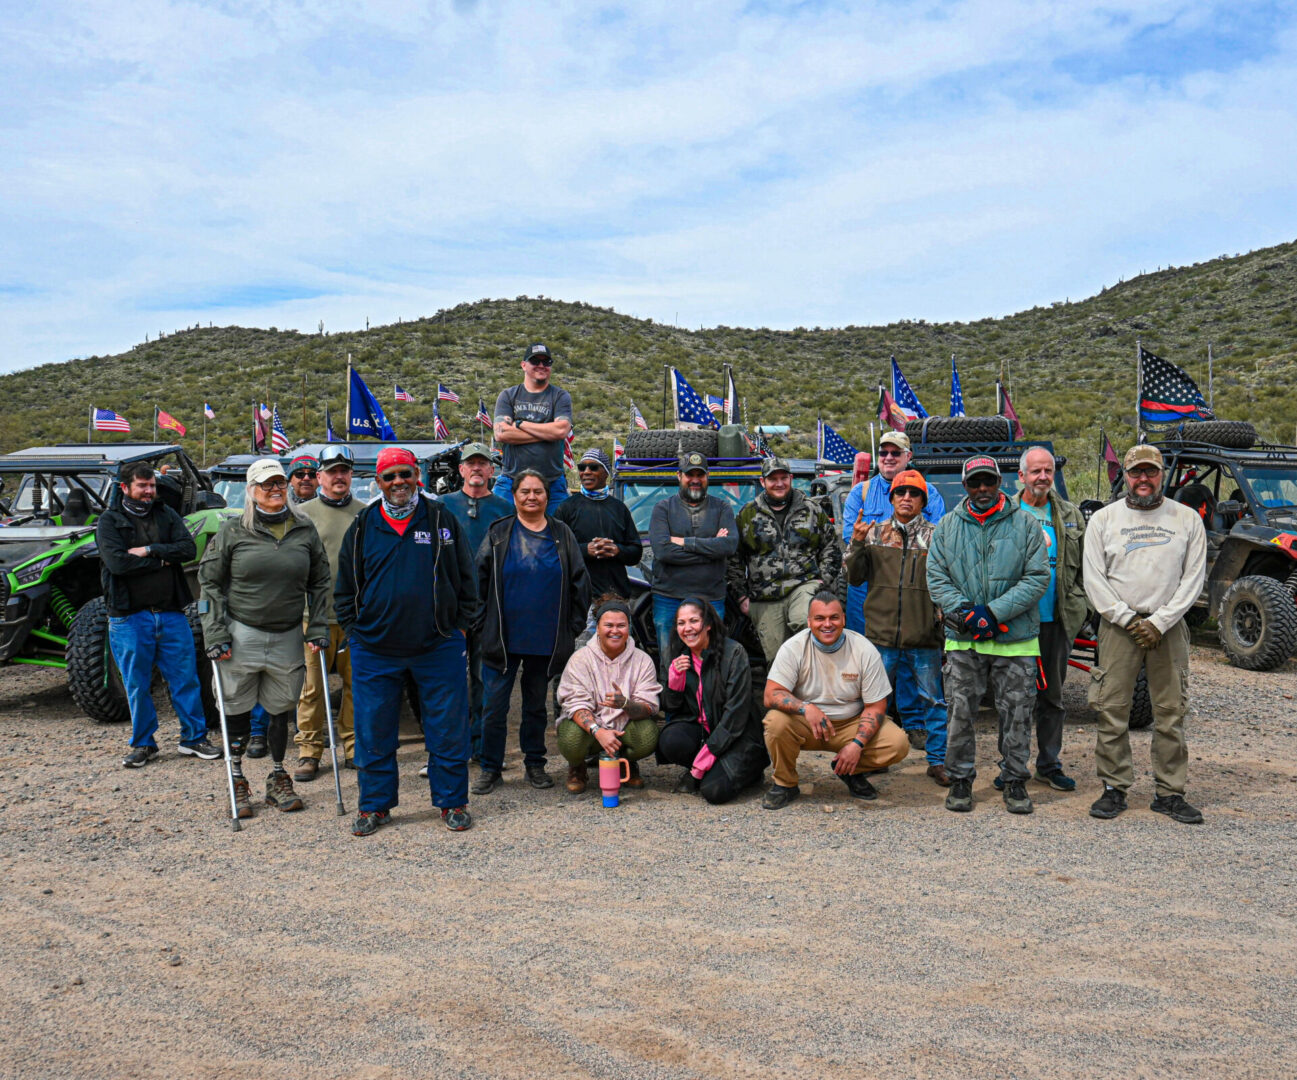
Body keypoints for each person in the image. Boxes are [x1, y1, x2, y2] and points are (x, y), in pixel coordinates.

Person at [334, 446, 481, 833]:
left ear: (417, 475)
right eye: (390, 476)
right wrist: (355, 632)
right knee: (373, 729)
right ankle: (375, 806)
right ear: (378, 482)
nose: (398, 482)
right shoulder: (364, 525)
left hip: (437, 645)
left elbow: (468, 578)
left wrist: (460, 628)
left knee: (447, 728)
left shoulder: (439, 519)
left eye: (405, 474)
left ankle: (452, 801)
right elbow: (344, 588)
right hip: (375, 649)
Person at [199, 458, 332, 818]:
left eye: (278, 483)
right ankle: (238, 779)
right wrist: (214, 631)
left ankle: (277, 777)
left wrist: (318, 625)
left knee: (279, 709)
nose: (274, 490)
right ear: (251, 491)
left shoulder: (304, 529)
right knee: (236, 707)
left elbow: (320, 580)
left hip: (288, 632)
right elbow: (209, 582)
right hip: (241, 633)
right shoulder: (232, 531)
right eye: (265, 485)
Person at [1083, 444, 1207, 825]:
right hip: (1119, 627)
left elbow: (1193, 579)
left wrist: (1161, 621)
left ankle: (1169, 792)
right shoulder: (1104, 520)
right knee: (1112, 708)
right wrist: (1124, 617)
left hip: (1167, 626)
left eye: (1150, 472)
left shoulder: (1186, 519)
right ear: (1126, 475)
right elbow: (1093, 577)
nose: (1143, 479)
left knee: (1170, 711)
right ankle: (1114, 788)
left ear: (1161, 475)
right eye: (1136, 472)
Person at [927, 456, 1049, 815]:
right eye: (975, 483)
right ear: (965, 486)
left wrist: (994, 613)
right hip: (964, 639)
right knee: (960, 712)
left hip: (1016, 638)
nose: (982, 489)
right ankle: (961, 780)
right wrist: (967, 613)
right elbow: (936, 576)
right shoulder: (947, 527)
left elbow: (1038, 576)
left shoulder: (1026, 524)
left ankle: (1014, 781)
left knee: (1017, 714)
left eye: (988, 482)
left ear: (1000, 482)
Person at [98, 461, 221, 768]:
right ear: (125, 488)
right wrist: (164, 559)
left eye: (151, 485)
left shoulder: (166, 514)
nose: (149, 491)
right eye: (142, 486)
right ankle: (143, 744)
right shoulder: (109, 522)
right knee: (137, 683)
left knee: (185, 678)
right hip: (129, 617)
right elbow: (118, 565)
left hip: (170, 613)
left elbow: (187, 550)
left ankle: (194, 738)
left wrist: (150, 550)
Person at [473, 469, 589, 794]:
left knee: (535, 706)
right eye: (525, 491)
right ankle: (490, 767)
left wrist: (573, 626)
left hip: (546, 638)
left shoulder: (561, 533)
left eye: (538, 491)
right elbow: (477, 582)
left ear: (547, 496)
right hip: (503, 638)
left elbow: (581, 582)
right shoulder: (499, 533)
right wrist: (481, 627)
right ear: (515, 496)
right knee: (494, 706)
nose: (532, 497)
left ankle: (535, 764)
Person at [843, 470, 949, 786]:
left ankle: (938, 760)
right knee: (874, 701)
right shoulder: (873, 533)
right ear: (891, 498)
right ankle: (874, 757)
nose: (906, 497)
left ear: (922, 501)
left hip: (924, 636)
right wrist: (857, 543)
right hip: (881, 635)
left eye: (913, 493)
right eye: (900, 492)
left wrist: (942, 621)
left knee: (933, 700)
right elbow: (855, 576)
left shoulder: (937, 536)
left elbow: (947, 583)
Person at [761, 591, 909, 808]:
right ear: (809, 621)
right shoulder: (793, 648)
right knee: (775, 722)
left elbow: (876, 705)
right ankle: (786, 783)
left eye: (834, 617)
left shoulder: (863, 649)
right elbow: (770, 694)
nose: (827, 624)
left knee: (898, 743)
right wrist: (805, 708)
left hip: (850, 723)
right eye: (820, 618)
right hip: (807, 724)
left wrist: (857, 744)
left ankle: (849, 769)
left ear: (844, 619)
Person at [1013, 446, 1087, 792]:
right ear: (1022, 476)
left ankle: (1048, 763)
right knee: (1013, 697)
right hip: (1013, 621)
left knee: (1052, 697)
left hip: (1056, 620)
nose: (1043, 476)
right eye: (1036, 471)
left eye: (1048, 470)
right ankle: (1011, 766)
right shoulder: (1005, 512)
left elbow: (1086, 567)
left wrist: (1080, 604)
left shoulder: (1070, 514)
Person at [440, 442, 514, 763]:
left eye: (483, 464)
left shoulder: (504, 509)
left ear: (492, 471)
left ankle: (482, 745)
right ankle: (453, 746)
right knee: (450, 678)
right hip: (452, 609)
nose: (476, 470)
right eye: (471, 464)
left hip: (490, 607)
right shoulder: (442, 507)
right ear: (461, 471)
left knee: (485, 678)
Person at [292, 444, 363, 781]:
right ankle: (309, 751)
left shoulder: (366, 514)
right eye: (332, 470)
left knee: (356, 686)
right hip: (314, 618)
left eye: (344, 470)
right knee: (311, 689)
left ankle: (353, 746)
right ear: (319, 476)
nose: (339, 476)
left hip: (355, 618)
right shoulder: (300, 514)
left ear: (351, 475)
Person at [728, 456, 840, 664]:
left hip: (804, 584)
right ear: (763, 482)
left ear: (791, 478)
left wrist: (823, 583)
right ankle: (782, 695)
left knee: (805, 626)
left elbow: (830, 547)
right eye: (773, 479)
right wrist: (741, 597)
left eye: (783, 478)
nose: (779, 484)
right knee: (778, 659)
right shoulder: (747, 514)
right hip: (764, 594)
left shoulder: (811, 510)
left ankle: (818, 689)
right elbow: (734, 558)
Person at [657, 599, 768, 804]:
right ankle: (712, 767)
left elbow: (735, 716)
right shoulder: (679, 653)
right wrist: (674, 681)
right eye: (681, 623)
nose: (687, 628)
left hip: (737, 734)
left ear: (708, 624)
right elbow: (672, 708)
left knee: (714, 792)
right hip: (704, 730)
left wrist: (702, 763)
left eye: (693, 621)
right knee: (670, 740)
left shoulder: (734, 653)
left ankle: (750, 770)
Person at [841, 432, 946, 634]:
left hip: (912, 588)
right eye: (883, 452)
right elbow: (850, 537)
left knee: (913, 645)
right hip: (867, 586)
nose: (888, 457)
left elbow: (938, 538)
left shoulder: (929, 492)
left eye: (895, 452)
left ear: (908, 457)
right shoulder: (860, 492)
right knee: (863, 648)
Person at [555, 594, 661, 793]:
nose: (615, 631)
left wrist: (625, 704)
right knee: (571, 740)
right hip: (591, 730)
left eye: (621, 625)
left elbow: (649, 707)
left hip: (624, 728)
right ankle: (578, 766)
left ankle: (624, 761)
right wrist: (598, 731)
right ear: (597, 627)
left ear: (629, 627)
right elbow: (575, 704)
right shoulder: (581, 659)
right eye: (608, 625)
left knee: (648, 734)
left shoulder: (642, 660)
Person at [647, 451, 738, 665]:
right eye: (690, 474)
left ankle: (707, 699)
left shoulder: (722, 507)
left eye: (700, 474)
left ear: (708, 477)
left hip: (711, 597)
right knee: (669, 662)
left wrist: (684, 542)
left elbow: (729, 545)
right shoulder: (663, 508)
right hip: (669, 596)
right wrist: (711, 551)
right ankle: (671, 698)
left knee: (712, 661)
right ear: (679, 476)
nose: (695, 480)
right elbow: (663, 551)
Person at [553, 447, 642, 606]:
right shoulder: (566, 507)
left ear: (606, 473)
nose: (586, 472)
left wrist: (617, 550)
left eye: (593, 467)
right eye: (582, 467)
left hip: (617, 597)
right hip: (579, 599)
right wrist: (585, 550)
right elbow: (553, 548)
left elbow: (636, 552)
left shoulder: (619, 508)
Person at [492, 342, 573, 508]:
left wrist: (521, 424)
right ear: (523, 365)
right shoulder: (508, 395)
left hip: (552, 482)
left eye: (546, 362)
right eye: (535, 361)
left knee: (559, 530)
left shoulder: (560, 396)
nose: (541, 366)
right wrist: (546, 432)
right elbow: (501, 434)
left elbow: (561, 431)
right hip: (511, 479)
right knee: (495, 522)